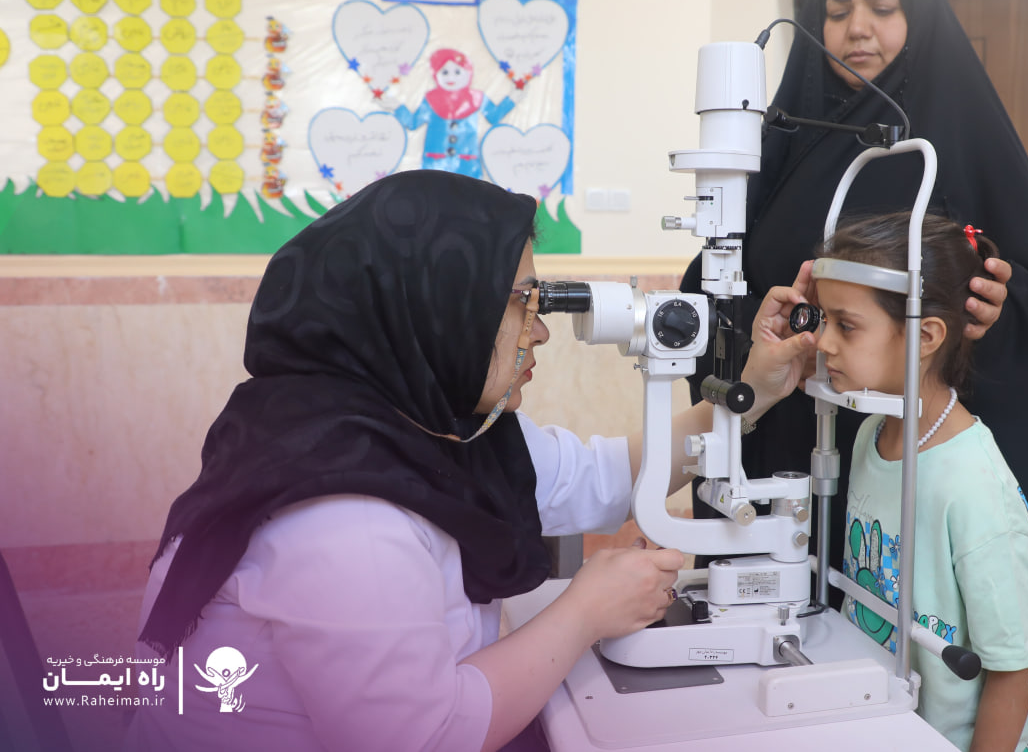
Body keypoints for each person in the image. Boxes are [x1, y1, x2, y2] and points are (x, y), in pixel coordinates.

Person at [123, 170, 802, 752]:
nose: (541, 331)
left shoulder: (428, 427)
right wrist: (585, 611)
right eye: (522, 302)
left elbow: (601, 476)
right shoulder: (341, 515)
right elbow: (423, 738)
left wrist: (755, 392)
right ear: (435, 305)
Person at [681, 0, 1028, 563]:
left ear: (917, 17)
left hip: (902, 466)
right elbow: (717, 273)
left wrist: (995, 308)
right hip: (785, 446)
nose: (858, 29)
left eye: (882, 7)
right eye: (838, 11)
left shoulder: (961, 136)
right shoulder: (788, 136)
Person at [767, 212, 1028, 752]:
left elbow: (1015, 668)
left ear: (924, 335)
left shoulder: (972, 485)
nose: (823, 343)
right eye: (823, 320)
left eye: (846, 325)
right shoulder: (873, 433)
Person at [392, 48, 521, 178]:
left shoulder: (477, 98)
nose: (451, 77)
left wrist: (513, 97)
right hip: (435, 164)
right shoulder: (431, 99)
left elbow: (494, 116)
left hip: (467, 165)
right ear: (436, 74)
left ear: (468, 73)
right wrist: (395, 106)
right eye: (445, 72)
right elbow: (413, 123)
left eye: (457, 72)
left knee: (468, 190)